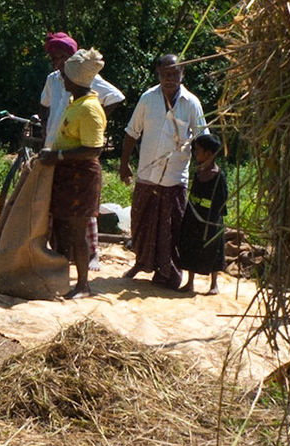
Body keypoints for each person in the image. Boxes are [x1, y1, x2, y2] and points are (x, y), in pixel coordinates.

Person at [119, 54, 206, 290]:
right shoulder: (148, 98)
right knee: (141, 223)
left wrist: (204, 170)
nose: (170, 78)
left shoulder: (191, 103)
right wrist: (124, 163)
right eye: (165, 74)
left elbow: (202, 138)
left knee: (172, 228)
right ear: (158, 74)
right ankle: (141, 263)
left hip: (175, 177)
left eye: (175, 73)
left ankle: (168, 272)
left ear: (182, 74)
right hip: (147, 173)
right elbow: (131, 132)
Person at [40, 32, 125, 272]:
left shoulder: (88, 102)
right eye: (54, 59)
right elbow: (45, 106)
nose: (59, 66)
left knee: (81, 220)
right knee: (59, 213)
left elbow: (92, 148)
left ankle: (86, 267)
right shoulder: (63, 88)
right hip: (59, 153)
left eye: (62, 59)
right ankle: (61, 256)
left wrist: (92, 128)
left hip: (76, 162)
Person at [43, 48, 107, 300]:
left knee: (78, 233)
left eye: (66, 76)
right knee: (64, 229)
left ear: (77, 80)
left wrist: (57, 156)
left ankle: (83, 286)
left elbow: (94, 149)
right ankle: (66, 279)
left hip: (81, 176)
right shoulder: (76, 103)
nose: (63, 79)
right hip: (67, 174)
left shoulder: (90, 109)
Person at [176, 133, 228, 296]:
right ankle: (190, 282)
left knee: (213, 250)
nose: (195, 153)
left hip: (211, 220)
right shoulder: (199, 172)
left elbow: (222, 201)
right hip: (194, 217)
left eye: (198, 150)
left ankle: (214, 284)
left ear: (208, 153)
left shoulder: (219, 176)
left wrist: (213, 219)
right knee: (190, 246)